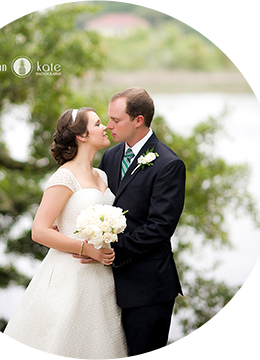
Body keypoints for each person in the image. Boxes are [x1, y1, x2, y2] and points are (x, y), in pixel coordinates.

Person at [3, 107, 128, 360]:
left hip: (102, 277)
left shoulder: (101, 175)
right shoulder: (64, 177)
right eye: (97, 123)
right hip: (71, 273)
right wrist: (86, 248)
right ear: (81, 135)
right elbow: (39, 230)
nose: (105, 127)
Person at [74, 87, 185, 359]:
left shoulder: (169, 164)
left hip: (148, 288)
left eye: (116, 120)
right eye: (108, 119)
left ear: (138, 120)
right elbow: (97, 203)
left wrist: (112, 253)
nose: (109, 125)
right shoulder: (110, 157)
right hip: (107, 286)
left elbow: (159, 227)